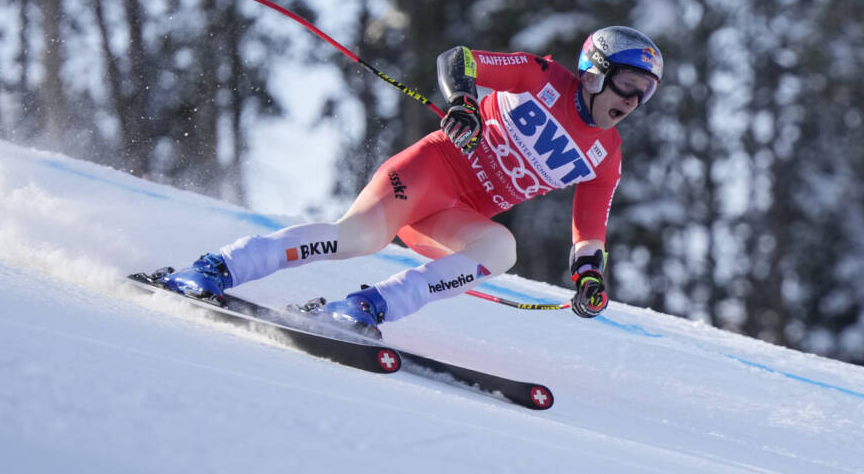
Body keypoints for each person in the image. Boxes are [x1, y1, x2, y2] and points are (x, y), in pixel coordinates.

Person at [152, 26, 664, 336]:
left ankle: (367, 307)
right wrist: (464, 102)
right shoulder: (542, 76)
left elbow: (590, 231)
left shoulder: (606, 155)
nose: (634, 101)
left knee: (502, 249)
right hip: (428, 173)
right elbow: (458, 59)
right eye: (629, 84)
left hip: (454, 217)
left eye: (646, 94)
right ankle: (217, 267)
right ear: (595, 72)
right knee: (357, 238)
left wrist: (589, 279)